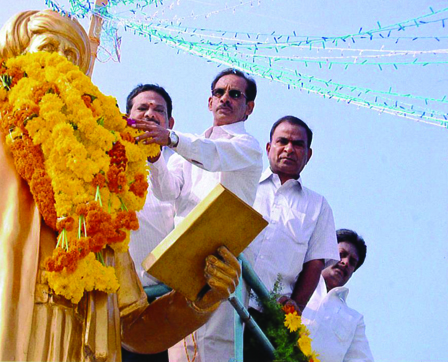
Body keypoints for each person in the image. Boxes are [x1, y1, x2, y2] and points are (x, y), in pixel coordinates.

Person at [0, 10, 242, 362]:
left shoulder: (100, 187)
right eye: (48, 47)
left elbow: (134, 323)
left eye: (72, 56)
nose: (60, 60)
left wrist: (201, 298)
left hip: (71, 345)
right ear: (14, 57)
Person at [132, 69, 263, 362]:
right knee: (181, 350)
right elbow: (167, 191)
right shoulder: (188, 147)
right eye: (219, 92)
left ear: (249, 107)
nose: (225, 99)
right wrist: (155, 157)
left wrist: (170, 138)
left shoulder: (247, 147)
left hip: (222, 266)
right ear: (209, 101)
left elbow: (213, 155)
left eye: (235, 94)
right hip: (182, 264)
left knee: (216, 348)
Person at [245, 116, 339, 314]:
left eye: (297, 144)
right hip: (223, 298)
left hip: (268, 314)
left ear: (308, 154)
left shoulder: (318, 206)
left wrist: (293, 311)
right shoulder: (245, 182)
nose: (289, 149)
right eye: (282, 141)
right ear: (269, 147)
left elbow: (315, 263)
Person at [123, 84, 176, 362]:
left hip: (165, 305)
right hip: (116, 301)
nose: (150, 114)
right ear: (127, 117)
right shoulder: (107, 158)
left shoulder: (182, 166)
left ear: (170, 123)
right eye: (142, 108)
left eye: (159, 110)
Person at [302, 229, 374, 362]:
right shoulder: (297, 281)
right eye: (342, 254)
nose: (345, 262)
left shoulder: (354, 320)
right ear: (326, 252)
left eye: (352, 262)